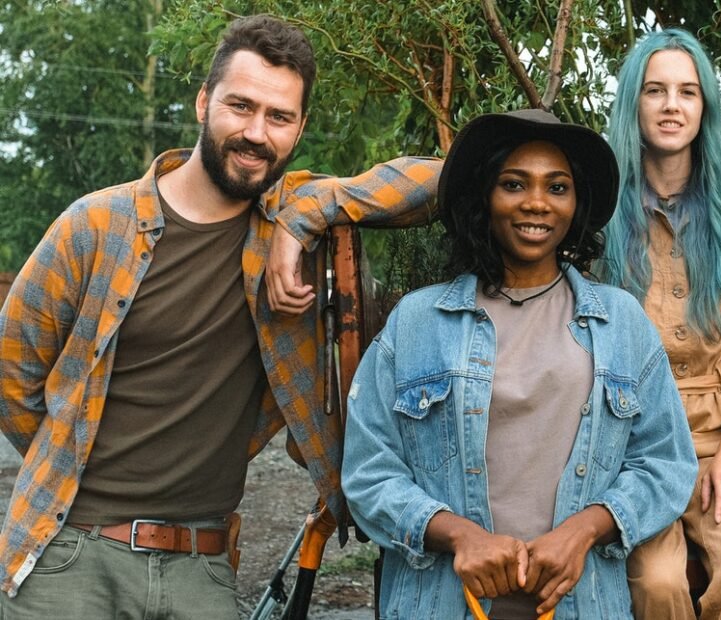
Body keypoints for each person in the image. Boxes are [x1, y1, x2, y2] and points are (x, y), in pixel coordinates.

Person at [0, 15, 441, 617]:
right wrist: (68, 460)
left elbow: (446, 181)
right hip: (71, 558)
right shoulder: (94, 226)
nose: (257, 132)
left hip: (202, 565)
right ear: (204, 102)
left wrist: (302, 218)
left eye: (279, 117)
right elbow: (11, 375)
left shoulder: (294, 222)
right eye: (241, 106)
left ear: (300, 127)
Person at [341, 108, 698, 620]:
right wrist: (459, 535)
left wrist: (586, 529)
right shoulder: (416, 322)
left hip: (583, 603)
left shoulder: (622, 323)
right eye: (514, 184)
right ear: (485, 196)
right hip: (444, 603)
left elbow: (666, 463)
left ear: (576, 205)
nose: (536, 203)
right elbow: (368, 472)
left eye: (557, 188)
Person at [594, 29, 721, 620]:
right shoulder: (598, 215)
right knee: (656, 583)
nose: (672, 106)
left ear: (705, 109)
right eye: (655, 91)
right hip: (629, 441)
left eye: (687, 92)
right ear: (634, 104)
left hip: (717, 432)